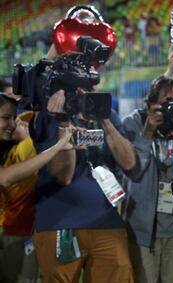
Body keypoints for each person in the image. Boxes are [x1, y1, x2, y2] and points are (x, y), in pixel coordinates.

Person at [30, 86, 136, 282]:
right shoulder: (51, 114)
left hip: (107, 222)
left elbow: (129, 162)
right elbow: (63, 176)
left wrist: (104, 118)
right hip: (60, 224)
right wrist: (63, 121)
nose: (85, 88)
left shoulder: (107, 114)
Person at [122, 74, 173, 283]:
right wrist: (147, 133)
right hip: (141, 231)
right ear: (150, 104)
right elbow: (132, 170)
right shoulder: (133, 123)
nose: (172, 109)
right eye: (166, 103)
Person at [0, 93, 74, 283]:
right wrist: (57, 147)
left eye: (14, 118)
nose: (13, 125)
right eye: (5, 118)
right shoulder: (19, 148)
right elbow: (5, 178)